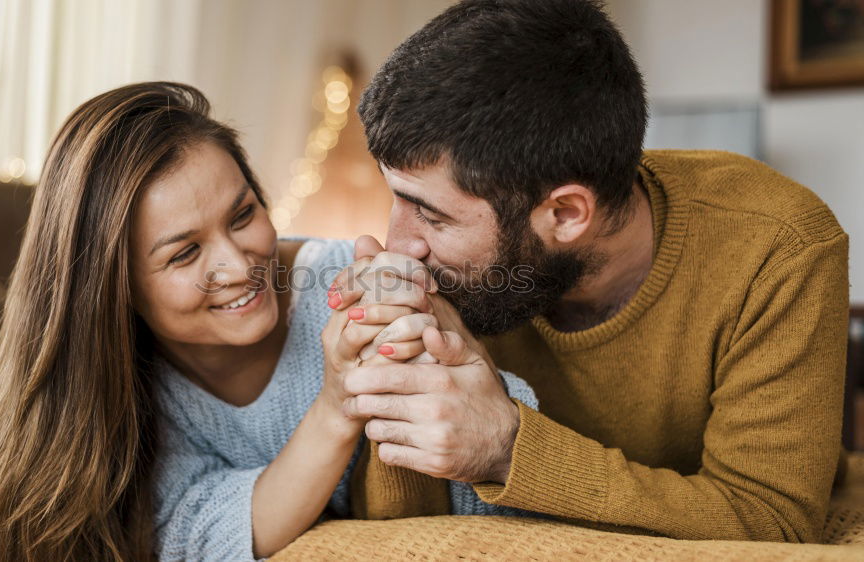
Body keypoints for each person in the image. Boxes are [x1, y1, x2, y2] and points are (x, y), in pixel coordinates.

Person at [332, 0, 850, 543]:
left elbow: (773, 523)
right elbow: (394, 536)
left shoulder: (780, 246)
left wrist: (509, 452)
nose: (399, 245)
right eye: (398, 198)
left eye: (432, 215)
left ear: (565, 214)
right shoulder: (451, 269)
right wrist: (390, 364)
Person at [0, 81, 539, 562]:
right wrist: (337, 409)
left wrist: (428, 361)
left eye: (243, 215)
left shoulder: (353, 294)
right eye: (184, 253)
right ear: (113, 289)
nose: (238, 266)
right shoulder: (127, 389)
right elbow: (197, 537)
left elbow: (487, 491)